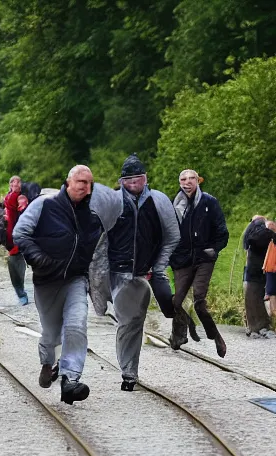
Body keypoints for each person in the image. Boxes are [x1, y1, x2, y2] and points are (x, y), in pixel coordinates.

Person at [14, 165, 113, 404]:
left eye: (88, 182)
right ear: (68, 182)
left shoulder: (93, 214)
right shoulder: (44, 205)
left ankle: (70, 379)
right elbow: (20, 234)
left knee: (76, 326)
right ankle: (48, 362)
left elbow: (108, 241)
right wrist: (37, 258)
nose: (84, 186)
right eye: (79, 181)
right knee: (50, 334)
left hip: (75, 280)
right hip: (47, 280)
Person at [106, 154, 180, 391]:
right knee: (128, 321)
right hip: (118, 272)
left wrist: (159, 266)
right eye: (128, 180)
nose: (134, 184)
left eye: (138, 179)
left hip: (145, 271)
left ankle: (131, 371)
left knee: (138, 319)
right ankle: (128, 372)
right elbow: (99, 240)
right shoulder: (112, 202)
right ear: (121, 181)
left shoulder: (159, 201)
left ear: (145, 178)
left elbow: (172, 236)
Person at [170, 169, 229, 358]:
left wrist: (214, 248)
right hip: (182, 258)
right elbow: (168, 232)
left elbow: (222, 230)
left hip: (204, 257)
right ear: (179, 182)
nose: (187, 182)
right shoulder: (175, 204)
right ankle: (178, 335)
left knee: (199, 302)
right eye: (183, 179)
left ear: (198, 181)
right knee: (176, 302)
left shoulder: (209, 202)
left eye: (191, 178)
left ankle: (215, 336)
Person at [243, 216, 276, 338]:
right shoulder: (259, 231)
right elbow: (254, 239)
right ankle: (256, 328)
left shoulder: (254, 231)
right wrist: (270, 231)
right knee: (253, 299)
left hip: (259, 272)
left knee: (256, 300)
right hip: (255, 273)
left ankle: (258, 328)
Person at [5, 176, 29, 305]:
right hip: (12, 239)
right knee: (15, 266)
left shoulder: (21, 197)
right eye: (12, 182)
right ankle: (21, 293)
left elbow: (21, 207)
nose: (15, 184)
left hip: (23, 237)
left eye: (18, 182)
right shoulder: (9, 196)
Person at [263, 220, 276, 322]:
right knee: (270, 293)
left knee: (271, 293)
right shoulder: (270, 240)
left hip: (271, 270)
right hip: (270, 270)